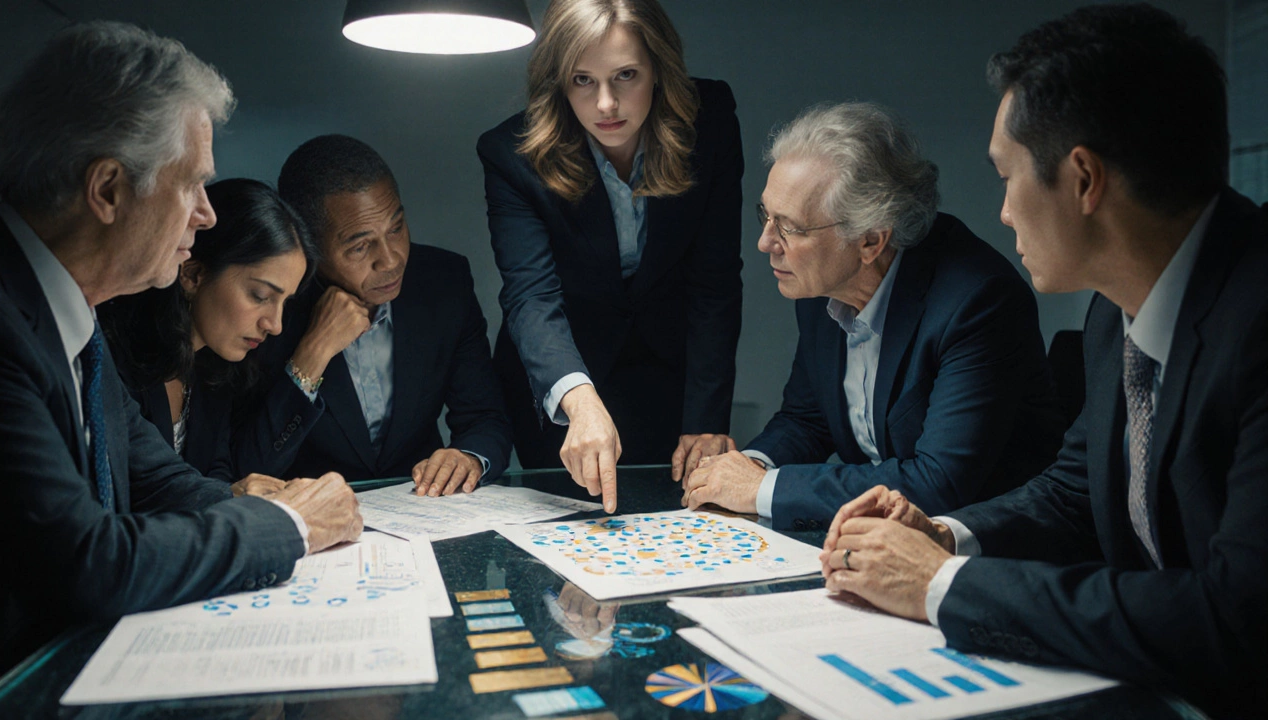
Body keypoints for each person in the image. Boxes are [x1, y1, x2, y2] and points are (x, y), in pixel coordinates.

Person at [820, 6, 1267, 715]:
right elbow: (1073, 496)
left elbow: (1237, 622)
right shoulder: (1113, 307)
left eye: (1007, 176)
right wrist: (943, 535)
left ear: (1084, 179)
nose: (1001, 212)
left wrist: (939, 584)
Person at [0, 22, 362, 682]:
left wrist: (269, 508)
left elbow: (163, 480)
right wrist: (289, 527)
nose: (206, 216)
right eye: (191, 185)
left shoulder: (71, 316)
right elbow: (89, 563)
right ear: (107, 190)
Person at [681, 103, 1064, 530]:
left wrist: (761, 488)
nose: (765, 241)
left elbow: (937, 483)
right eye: (766, 216)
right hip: (881, 542)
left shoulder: (977, 300)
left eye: (788, 227)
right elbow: (807, 419)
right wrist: (742, 468)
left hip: (985, 553)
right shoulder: (821, 281)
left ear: (870, 240)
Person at [477, 0, 743, 512]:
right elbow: (530, 296)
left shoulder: (708, 122)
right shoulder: (510, 153)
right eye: (582, 80)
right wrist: (578, 400)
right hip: (562, 382)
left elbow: (715, 279)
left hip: (670, 375)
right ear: (557, 82)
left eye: (625, 75)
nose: (606, 104)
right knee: (565, 561)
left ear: (658, 69)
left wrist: (705, 419)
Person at [234, 135, 512, 494]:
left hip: (424, 512)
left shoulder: (445, 282)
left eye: (396, 228)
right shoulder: (271, 311)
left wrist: (469, 457)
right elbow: (249, 467)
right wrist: (312, 353)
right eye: (360, 246)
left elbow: (485, 417)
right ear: (310, 246)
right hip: (313, 525)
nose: (391, 259)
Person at [99, 179, 316, 482]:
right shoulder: (114, 356)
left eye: (284, 302)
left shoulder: (216, 364)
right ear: (193, 274)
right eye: (260, 296)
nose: (275, 325)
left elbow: (219, 472)